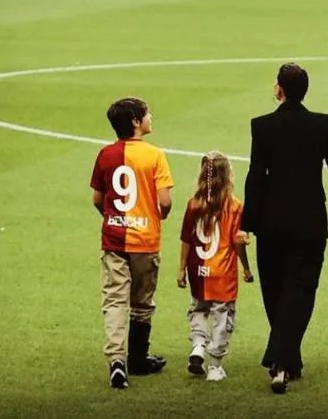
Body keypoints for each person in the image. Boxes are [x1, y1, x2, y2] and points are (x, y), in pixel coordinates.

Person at [241, 63, 328, 394]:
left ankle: (281, 359)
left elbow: (256, 178)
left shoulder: (262, 126)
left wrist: (246, 224)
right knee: (300, 291)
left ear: (280, 90)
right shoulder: (321, 125)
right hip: (309, 223)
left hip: (271, 223)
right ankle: (287, 359)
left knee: (275, 292)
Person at [90, 97, 174, 389]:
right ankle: (139, 358)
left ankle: (117, 360)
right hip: (145, 239)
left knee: (114, 300)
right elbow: (165, 201)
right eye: (146, 114)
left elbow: (98, 200)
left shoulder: (105, 155)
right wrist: (155, 216)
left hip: (113, 239)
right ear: (136, 122)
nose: (151, 116)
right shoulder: (154, 155)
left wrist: (114, 218)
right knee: (142, 302)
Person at [177, 151, 254, 382]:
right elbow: (238, 242)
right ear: (228, 175)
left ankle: (198, 345)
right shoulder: (234, 206)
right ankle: (215, 366)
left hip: (198, 271)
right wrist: (247, 268)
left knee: (198, 309)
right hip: (222, 273)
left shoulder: (194, 204)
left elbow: (186, 240)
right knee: (223, 316)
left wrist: (181, 269)